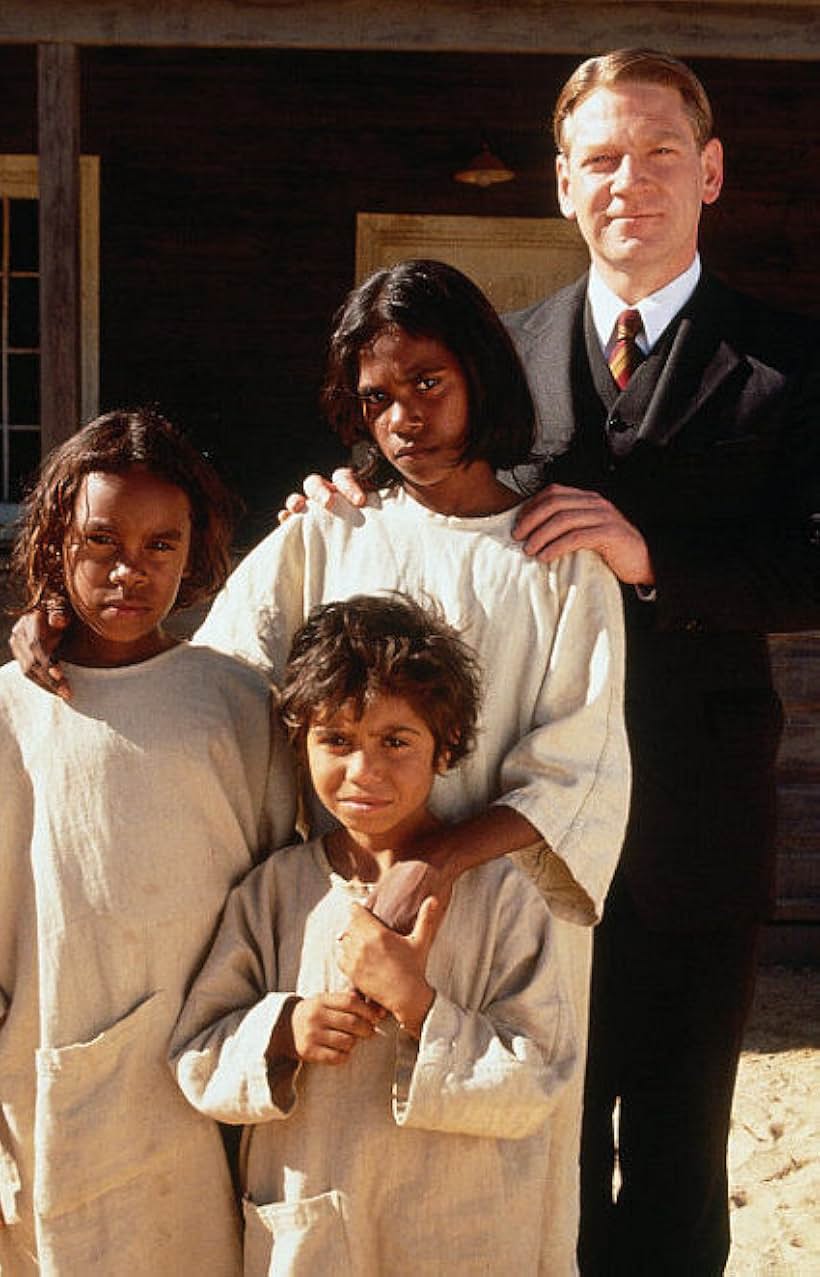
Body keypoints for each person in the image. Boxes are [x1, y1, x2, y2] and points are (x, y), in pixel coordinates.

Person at [284, 48, 820, 1276]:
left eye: (658, 153)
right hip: (512, 817)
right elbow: (417, 480)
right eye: (599, 159)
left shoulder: (793, 367)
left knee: (678, 1130)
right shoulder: (500, 357)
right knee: (544, 1120)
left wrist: (653, 560)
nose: (628, 180)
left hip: (692, 808)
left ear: (712, 172)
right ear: (562, 187)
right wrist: (338, 498)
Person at [8, 261, 629, 1272]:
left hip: (499, 918)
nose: (403, 420)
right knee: (329, 1175)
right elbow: (202, 669)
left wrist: (436, 860)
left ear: (481, 373)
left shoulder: (554, 556)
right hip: (336, 911)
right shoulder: (332, 533)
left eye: (428, 382)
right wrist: (59, 619)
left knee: (489, 1193)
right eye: (377, 398)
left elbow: (580, 768)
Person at [170, 593, 578, 1275]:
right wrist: (283, 1029)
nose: (365, 771)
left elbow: (541, 1075)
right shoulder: (275, 893)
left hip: (458, 1230)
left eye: (395, 740)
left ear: (444, 745)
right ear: (299, 738)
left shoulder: (499, 895)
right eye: (337, 739)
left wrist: (419, 1004)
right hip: (315, 1231)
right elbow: (198, 1053)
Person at [0, 409, 294, 1275]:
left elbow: (281, 900)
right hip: (48, 1087)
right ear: (56, 539)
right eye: (101, 540)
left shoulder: (239, 705)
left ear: (195, 547)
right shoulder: (13, 710)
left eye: (161, 544)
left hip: (208, 1089)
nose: (131, 570)